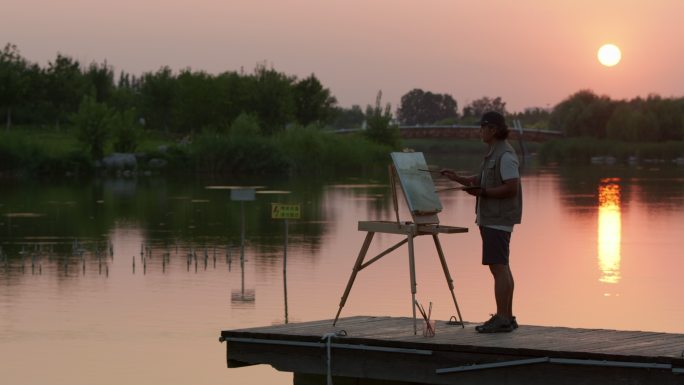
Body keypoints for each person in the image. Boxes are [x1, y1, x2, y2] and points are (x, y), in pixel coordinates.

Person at [440, 111, 523, 333]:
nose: (480, 131)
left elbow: (511, 187)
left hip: (498, 219)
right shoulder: (494, 153)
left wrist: (483, 193)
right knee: (502, 267)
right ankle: (507, 317)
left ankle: (502, 318)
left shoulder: (505, 155)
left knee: (498, 268)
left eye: (483, 127)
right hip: (493, 218)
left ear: (493, 129)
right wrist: (458, 178)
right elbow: (480, 181)